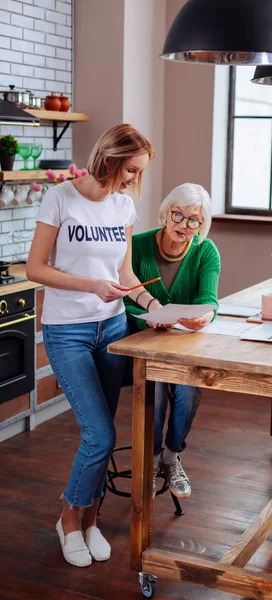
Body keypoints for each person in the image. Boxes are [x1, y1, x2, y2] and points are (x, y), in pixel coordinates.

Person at [26, 124, 163, 568]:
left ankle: (91, 521)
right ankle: (69, 519)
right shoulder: (61, 198)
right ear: (110, 159)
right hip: (68, 331)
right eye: (131, 170)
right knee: (99, 434)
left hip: (113, 329)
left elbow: (123, 275)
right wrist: (90, 286)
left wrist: (152, 304)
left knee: (101, 437)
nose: (133, 180)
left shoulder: (124, 206)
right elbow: (35, 268)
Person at [124, 183, 221, 500]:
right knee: (157, 392)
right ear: (166, 212)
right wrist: (146, 316)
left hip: (184, 346)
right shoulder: (137, 246)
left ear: (201, 224)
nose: (184, 225)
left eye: (194, 220)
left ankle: (171, 455)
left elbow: (209, 301)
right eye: (178, 215)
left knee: (189, 392)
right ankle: (151, 459)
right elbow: (123, 299)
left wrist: (206, 317)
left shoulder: (206, 251)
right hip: (143, 342)